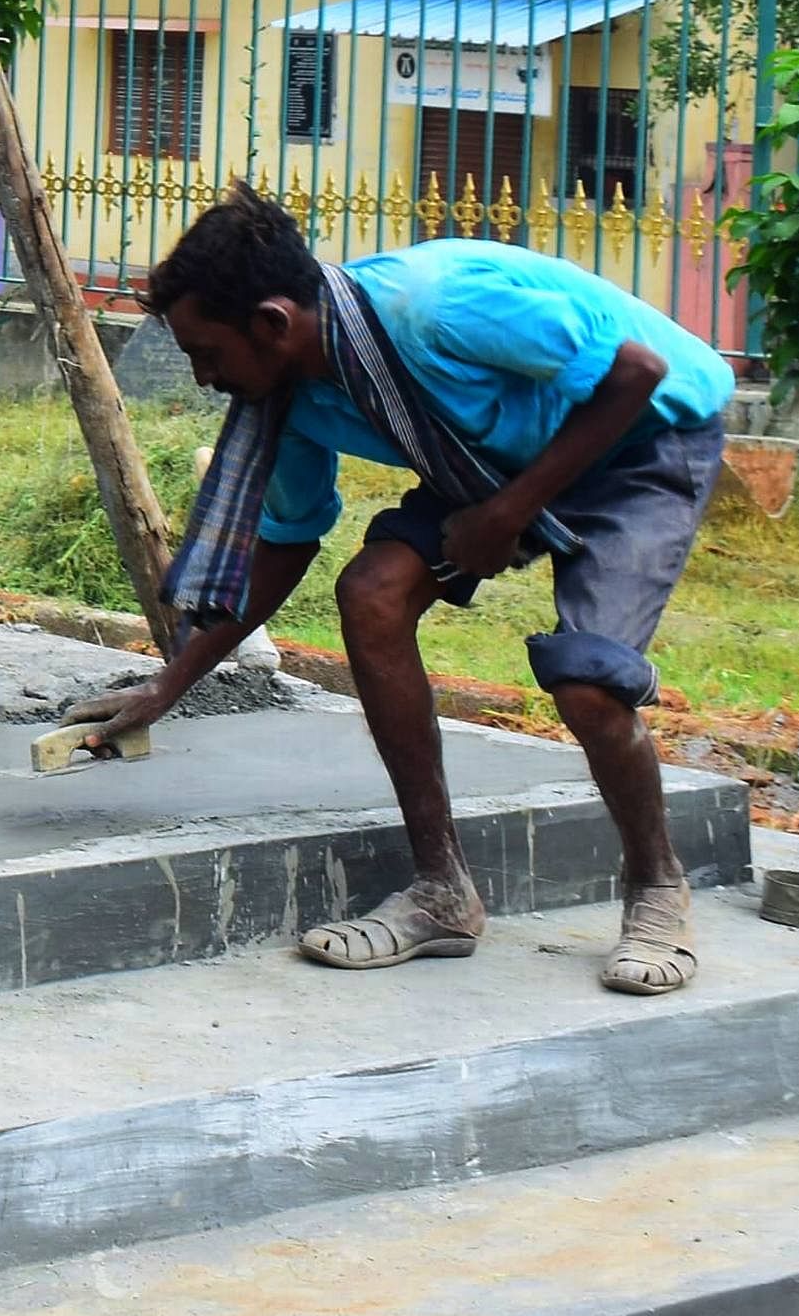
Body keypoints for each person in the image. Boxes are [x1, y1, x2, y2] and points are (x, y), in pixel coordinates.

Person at [80, 184, 733, 995]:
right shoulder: (296, 397)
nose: (204, 379)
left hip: (639, 438)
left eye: (206, 354)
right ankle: (440, 892)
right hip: (493, 464)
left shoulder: (435, 305)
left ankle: (656, 887)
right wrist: (167, 684)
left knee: (586, 682)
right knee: (371, 592)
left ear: (274, 325)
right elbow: (284, 545)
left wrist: (504, 514)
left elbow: (635, 373)